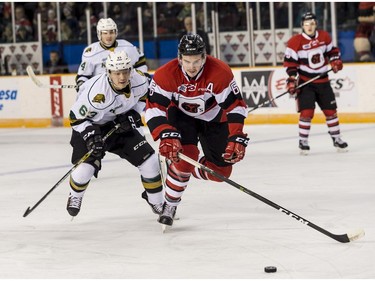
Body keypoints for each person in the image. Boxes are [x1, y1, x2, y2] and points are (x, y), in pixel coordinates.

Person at [145, 34, 249, 227]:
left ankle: (181, 168)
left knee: (221, 172)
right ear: (179, 58)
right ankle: (170, 204)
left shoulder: (219, 72)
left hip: (214, 118)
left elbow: (235, 107)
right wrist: (165, 133)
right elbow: (153, 110)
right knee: (186, 157)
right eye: (187, 61)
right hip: (181, 117)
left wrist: (236, 134)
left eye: (196, 61)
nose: (192, 66)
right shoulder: (165, 75)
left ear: (204, 57)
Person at [67, 51, 164, 217]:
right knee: (84, 171)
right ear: (108, 72)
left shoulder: (139, 80)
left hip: (120, 124)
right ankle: (75, 196)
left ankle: (157, 201)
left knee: (150, 161)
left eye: (125, 71)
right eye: (117, 73)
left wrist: (134, 114)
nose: (122, 77)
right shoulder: (96, 94)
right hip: (91, 126)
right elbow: (75, 118)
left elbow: (147, 96)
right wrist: (90, 136)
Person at [283, 12, 348, 155]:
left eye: (312, 23)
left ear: (316, 24)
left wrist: (335, 60)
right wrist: (292, 80)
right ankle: (303, 141)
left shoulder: (324, 36)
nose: (309, 26)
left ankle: (337, 139)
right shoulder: (295, 41)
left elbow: (332, 51)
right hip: (306, 83)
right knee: (307, 113)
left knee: (331, 112)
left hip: (323, 82)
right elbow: (290, 64)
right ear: (302, 26)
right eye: (306, 24)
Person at [75, 18, 148, 92]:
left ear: (116, 33)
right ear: (99, 34)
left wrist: (143, 77)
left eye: (111, 32)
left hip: (126, 89)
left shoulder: (127, 46)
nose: (109, 36)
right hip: (101, 92)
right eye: (105, 33)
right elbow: (83, 75)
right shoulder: (91, 52)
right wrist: (81, 83)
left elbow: (140, 63)